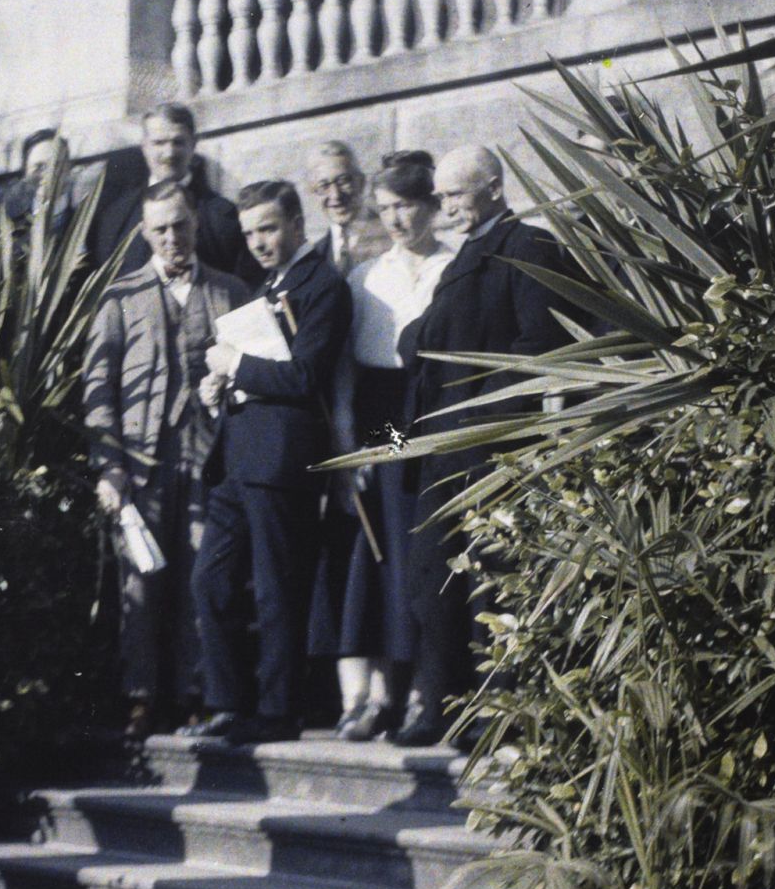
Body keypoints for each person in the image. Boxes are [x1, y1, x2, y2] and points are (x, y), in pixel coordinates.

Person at [392, 146, 572, 747]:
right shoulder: (464, 254)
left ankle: (499, 709)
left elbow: (536, 345)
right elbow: (428, 336)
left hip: (490, 442)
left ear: (494, 188)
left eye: (456, 196)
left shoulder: (528, 247)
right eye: (441, 198)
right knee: (431, 577)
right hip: (441, 443)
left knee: (493, 575)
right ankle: (443, 704)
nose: (444, 210)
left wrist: (483, 413)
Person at [183, 180, 352, 747]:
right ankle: (228, 701)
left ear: (297, 225)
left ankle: (280, 709)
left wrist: (239, 364)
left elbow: (306, 376)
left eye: (269, 228)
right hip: (237, 457)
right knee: (212, 580)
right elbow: (256, 369)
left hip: (283, 460)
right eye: (250, 231)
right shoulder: (264, 285)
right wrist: (221, 386)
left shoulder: (322, 284)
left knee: (279, 587)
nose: (258, 241)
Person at [83, 182, 251, 737]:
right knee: (141, 579)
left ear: (196, 223)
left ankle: (194, 693)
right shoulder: (118, 296)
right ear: (144, 234)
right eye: (160, 229)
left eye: (180, 225)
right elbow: (97, 384)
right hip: (140, 461)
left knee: (202, 573)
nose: (172, 237)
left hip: (209, 457)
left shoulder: (230, 291)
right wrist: (107, 465)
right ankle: (139, 695)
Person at [308, 151, 454, 740]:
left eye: (407, 207)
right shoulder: (366, 277)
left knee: (427, 546)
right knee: (388, 541)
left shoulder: (453, 266)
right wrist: (350, 444)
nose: (396, 220)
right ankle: (383, 697)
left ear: (432, 207)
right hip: (384, 416)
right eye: (387, 208)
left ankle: (427, 692)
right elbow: (347, 376)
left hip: (435, 411)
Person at [86, 103, 256, 287]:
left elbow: (243, 288)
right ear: (144, 146)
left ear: (193, 143)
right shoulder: (115, 218)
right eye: (159, 143)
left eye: (178, 142)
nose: (169, 153)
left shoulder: (223, 215)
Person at [302, 141, 391, 280]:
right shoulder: (315, 254)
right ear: (313, 192)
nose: (335, 195)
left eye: (343, 181)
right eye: (324, 186)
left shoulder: (391, 234)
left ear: (361, 182)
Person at [0, 127, 75, 236]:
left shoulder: (85, 217)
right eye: (39, 167)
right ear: (25, 173)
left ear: (69, 167)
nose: (49, 174)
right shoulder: (10, 221)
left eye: (57, 165)